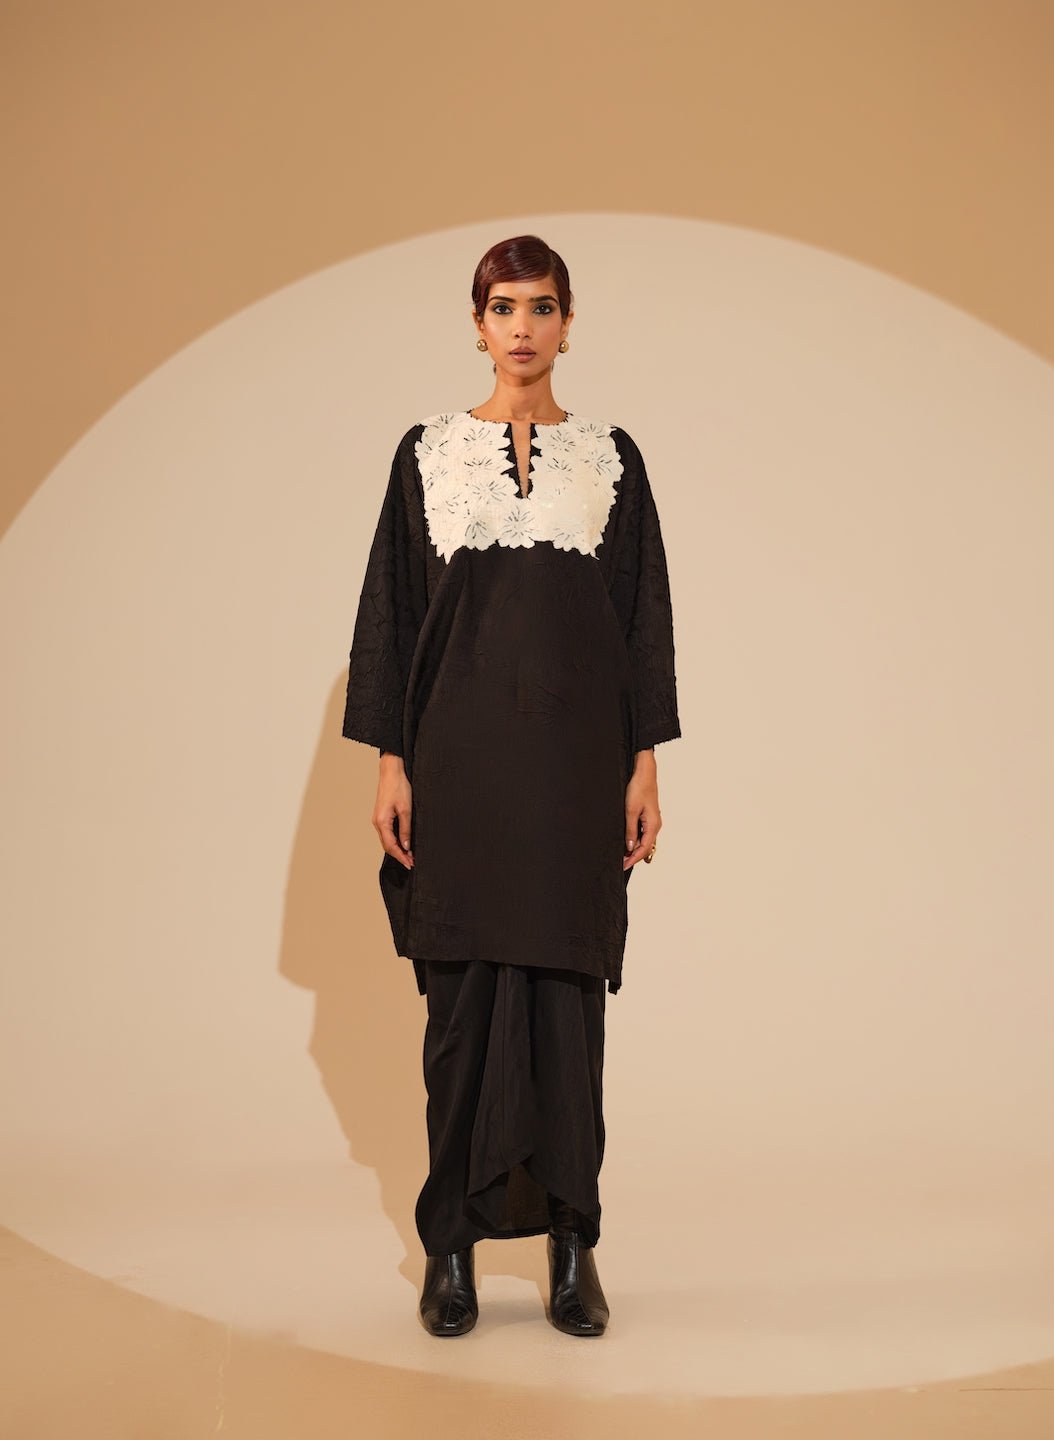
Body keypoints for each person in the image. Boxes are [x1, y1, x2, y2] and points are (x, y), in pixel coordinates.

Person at [342, 233, 681, 1338]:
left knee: (569, 1017)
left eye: (542, 307)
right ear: (478, 324)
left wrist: (644, 763)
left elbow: (641, 620)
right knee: (460, 1018)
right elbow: (393, 612)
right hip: (459, 766)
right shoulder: (427, 453)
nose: (523, 327)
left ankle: (574, 1246)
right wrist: (392, 761)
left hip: (574, 772)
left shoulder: (611, 458)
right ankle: (451, 1250)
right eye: (503, 307)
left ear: (568, 323)